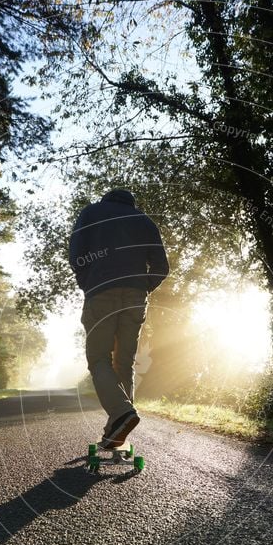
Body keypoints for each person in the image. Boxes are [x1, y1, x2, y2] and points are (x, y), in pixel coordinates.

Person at [69, 188, 169, 448]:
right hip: (135, 298)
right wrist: (142, 287)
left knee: (99, 359)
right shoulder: (145, 221)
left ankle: (121, 413)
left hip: (101, 293)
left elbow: (76, 255)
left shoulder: (91, 213)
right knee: (123, 362)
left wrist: (88, 283)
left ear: (107, 199)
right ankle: (117, 430)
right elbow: (162, 267)